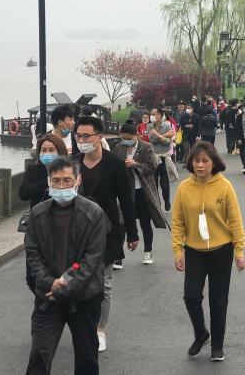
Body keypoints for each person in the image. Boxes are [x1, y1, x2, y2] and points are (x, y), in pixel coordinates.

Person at [24, 157, 107, 375]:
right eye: (56, 181)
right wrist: (49, 282)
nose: (61, 186)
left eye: (67, 180)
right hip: (47, 298)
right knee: (39, 355)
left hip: (84, 299)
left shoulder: (94, 213)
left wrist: (64, 285)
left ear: (78, 180)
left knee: (87, 359)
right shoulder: (37, 214)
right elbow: (33, 255)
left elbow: (90, 260)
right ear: (48, 181)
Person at [172, 142, 245, 362]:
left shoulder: (225, 186)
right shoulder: (184, 188)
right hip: (194, 250)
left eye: (205, 161)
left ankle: (217, 346)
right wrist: (178, 251)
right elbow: (177, 221)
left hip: (222, 250)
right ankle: (201, 333)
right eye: (196, 161)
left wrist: (239, 251)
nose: (200, 165)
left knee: (218, 300)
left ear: (213, 163)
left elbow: (235, 220)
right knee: (191, 296)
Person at [74, 116, 139, 352]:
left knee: (104, 282)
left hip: (108, 230)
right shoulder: (73, 164)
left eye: (86, 136)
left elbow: (127, 201)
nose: (82, 140)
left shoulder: (115, 165)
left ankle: (100, 329)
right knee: (78, 280)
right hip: (77, 233)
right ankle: (83, 325)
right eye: (78, 136)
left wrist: (132, 234)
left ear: (98, 137)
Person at [113, 123, 165, 265]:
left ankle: (148, 251)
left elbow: (152, 167)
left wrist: (135, 164)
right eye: (123, 139)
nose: (126, 141)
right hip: (125, 191)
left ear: (136, 135)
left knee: (145, 222)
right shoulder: (118, 148)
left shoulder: (146, 147)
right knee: (122, 224)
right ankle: (118, 257)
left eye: (128, 139)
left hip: (143, 190)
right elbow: (114, 167)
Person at [20, 134, 69, 208]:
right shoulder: (33, 169)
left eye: (51, 150)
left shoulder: (69, 171)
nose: (47, 153)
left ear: (60, 152)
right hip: (38, 213)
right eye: (43, 150)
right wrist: (47, 182)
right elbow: (23, 194)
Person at [148, 106, 177, 212]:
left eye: (154, 114)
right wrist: (163, 136)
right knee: (154, 183)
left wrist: (158, 135)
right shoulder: (149, 126)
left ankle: (167, 200)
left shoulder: (167, 126)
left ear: (160, 115)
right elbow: (153, 141)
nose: (151, 116)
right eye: (151, 114)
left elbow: (168, 142)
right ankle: (157, 202)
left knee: (164, 184)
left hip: (164, 157)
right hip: (153, 157)